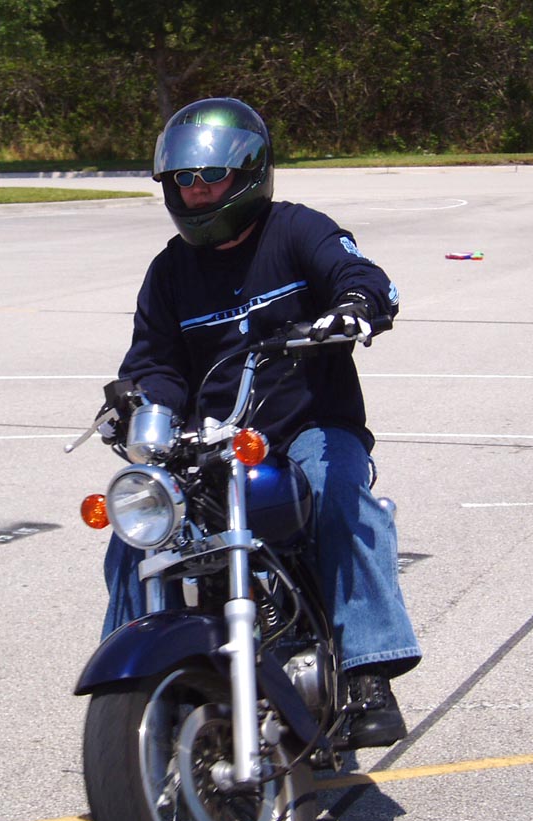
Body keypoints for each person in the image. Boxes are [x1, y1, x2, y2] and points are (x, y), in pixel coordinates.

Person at [102, 97, 421, 749]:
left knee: (335, 493)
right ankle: (133, 693)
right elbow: (155, 361)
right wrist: (138, 402)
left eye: (211, 176)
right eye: (184, 179)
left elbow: (360, 276)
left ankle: (366, 672)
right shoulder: (169, 272)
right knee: (137, 527)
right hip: (214, 446)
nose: (197, 191)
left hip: (310, 426)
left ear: (249, 172)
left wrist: (354, 306)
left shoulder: (298, 230)